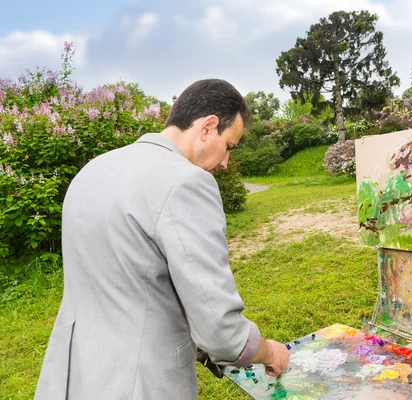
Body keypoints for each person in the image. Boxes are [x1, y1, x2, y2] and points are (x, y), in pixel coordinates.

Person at [35, 79, 290, 399]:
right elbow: (222, 331)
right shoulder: (187, 183)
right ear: (208, 127)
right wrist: (269, 352)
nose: (225, 162)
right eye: (229, 146)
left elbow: (136, 285)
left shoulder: (93, 170)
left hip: (71, 378)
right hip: (138, 384)